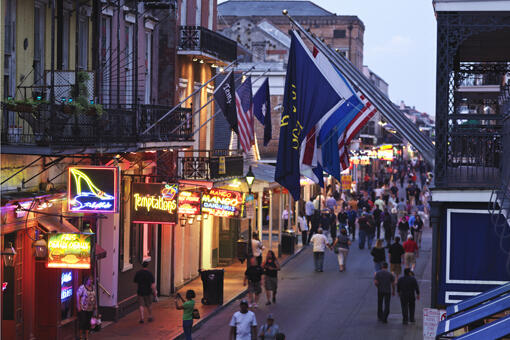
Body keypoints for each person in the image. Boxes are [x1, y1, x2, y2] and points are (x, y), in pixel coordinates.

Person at [77, 276, 97, 340]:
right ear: (86, 280)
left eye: (92, 279)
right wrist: (78, 306)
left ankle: (86, 337)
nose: (91, 281)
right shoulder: (82, 287)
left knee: (88, 322)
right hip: (83, 308)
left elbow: (94, 297)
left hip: (90, 308)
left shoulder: (93, 287)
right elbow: (78, 295)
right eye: (90, 279)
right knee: (83, 322)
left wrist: (95, 305)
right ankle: (80, 337)